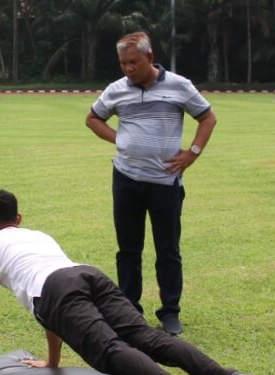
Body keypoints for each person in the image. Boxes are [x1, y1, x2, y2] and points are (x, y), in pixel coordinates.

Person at [0, 190, 255, 375]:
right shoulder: (38, 237)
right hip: (86, 274)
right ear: (19, 218)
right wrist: (52, 361)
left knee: (109, 349)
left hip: (56, 290)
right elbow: (51, 312)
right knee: (147, 337)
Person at [85, 32, 216, 336]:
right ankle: (129, 310)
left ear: (149, 57)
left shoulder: (178, 86)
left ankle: (170, 312)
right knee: (128, 249)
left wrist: (192, 153)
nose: (128, 68)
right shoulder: (117, 90)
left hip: (165, 181)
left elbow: (208, 117)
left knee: (167, 249)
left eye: (133, 61)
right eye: (123, 63)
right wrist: (121, 138)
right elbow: (93, 118)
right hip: (126, 178)